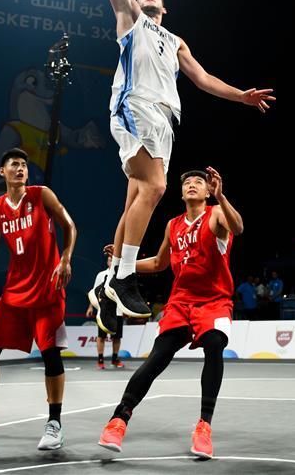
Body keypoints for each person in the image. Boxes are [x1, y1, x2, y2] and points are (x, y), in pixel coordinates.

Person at [86, 0, 274, 322]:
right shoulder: (131, 17)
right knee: (155, 188)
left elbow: (204, 80)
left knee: (136, 193)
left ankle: (109, 278)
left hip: (166, 120)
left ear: (166, 9)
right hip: (136, 105)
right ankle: (123, 279)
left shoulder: (175, 41)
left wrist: (241, 95)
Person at [97, 167, 243, 459]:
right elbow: (159, 264)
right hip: (180, 302)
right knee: (158, 357)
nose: (192, 184)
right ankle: (118, 420)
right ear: (181, 192)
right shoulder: (172, 225)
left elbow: (238, 228)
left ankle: (204, 427)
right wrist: (124, 264)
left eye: (198, 182)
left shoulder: (215, 214)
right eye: (187, 182)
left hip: (214, 301)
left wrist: (222, 196)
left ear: (207, 191)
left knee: (214, 345)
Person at [0, 148, 76, 451]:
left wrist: (66, 259)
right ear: (2, 172)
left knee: (51, 355)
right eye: (14, 165)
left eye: (23, 165)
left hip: (48, 289)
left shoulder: (41, 195)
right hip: (14, 293)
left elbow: (69, 226)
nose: (20, 169)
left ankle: (54, 422)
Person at [87, 250, 126, 369]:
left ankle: (115, 359)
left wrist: (124, 308)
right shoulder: (101, 275)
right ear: (107, 262)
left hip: (118, 312)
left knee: (117, 337)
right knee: (101, 336)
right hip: (103, 311)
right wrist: (90, 307)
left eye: (112, 260)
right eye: (109, 260)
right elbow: (94, 291)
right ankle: (100, 359)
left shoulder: (121, 275)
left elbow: (124, 294)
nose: (111, 262)